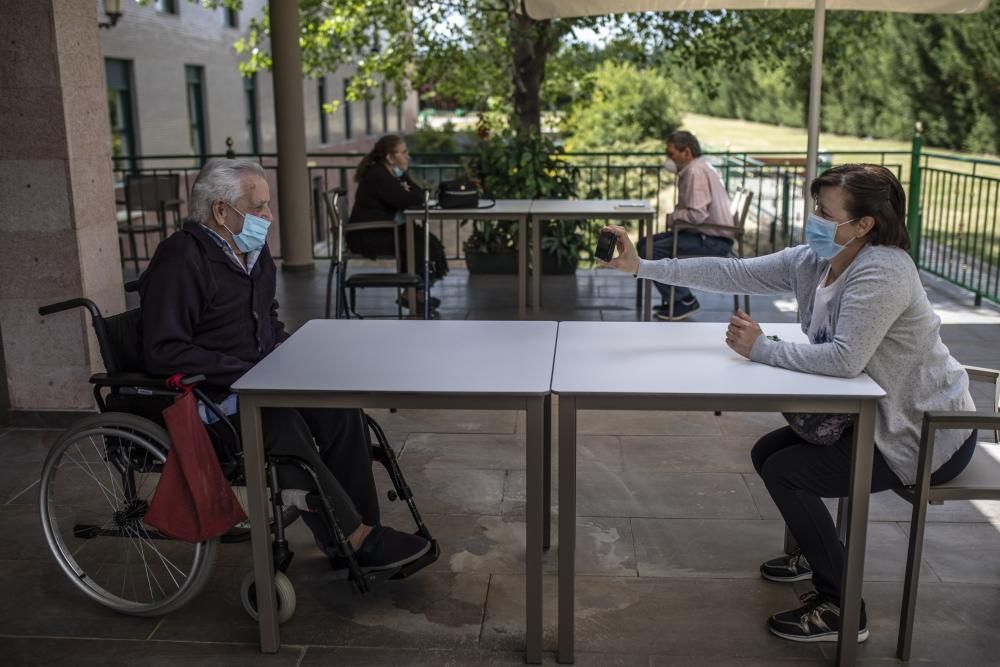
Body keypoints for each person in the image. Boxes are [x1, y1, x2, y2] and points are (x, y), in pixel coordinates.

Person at [601, 164, 977, 644]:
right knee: (767, 455)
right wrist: (642, 267)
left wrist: (761, 347)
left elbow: (844, 360)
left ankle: (842, 606)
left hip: (918, 435)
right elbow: (732, 270)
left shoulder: (883, 272)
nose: (813, 218)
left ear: (865, 224)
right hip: (868, 418)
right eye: (815, 206)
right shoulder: (815, 261)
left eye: (825, 210)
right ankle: (817, 551)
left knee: (787, 471)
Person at [139, 158, 431, 574]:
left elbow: (267, 320)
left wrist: (292, 355)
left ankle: (363, 530)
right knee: (285, 423)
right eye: (257, 207)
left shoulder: (250, 252)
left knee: (340, 408)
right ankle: (351, 536)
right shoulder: (181, 258)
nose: (268, 217)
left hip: (260, 381)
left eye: (268, 205)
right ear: (220, 211)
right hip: (213, 396)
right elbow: (164, 350)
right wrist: (244, 371)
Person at [348, 134, 448, 316]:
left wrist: (405, 180)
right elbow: (407, 199)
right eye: (403, 153)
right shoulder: (379, 175)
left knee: (427, 241)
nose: (407, 156)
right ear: (390, 157)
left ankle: (413, 293)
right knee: (418, 244)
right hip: (368, 235)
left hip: (384, 230)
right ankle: (414, 293)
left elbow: (417, 193)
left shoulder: (393, 174)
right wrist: (409, 191)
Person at [641, 130, 735, 321]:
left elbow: (697, 214)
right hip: (709, 235)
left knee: (648, 248)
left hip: (713, 239)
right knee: (646, 243)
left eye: (671, 153)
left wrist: (672, 218)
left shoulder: (694, 171)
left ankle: (682, 300)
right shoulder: (697, 168)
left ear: (687, 153)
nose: (668, 159)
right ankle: (676, 298)